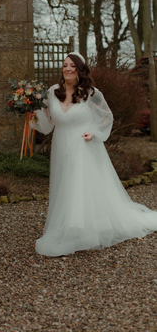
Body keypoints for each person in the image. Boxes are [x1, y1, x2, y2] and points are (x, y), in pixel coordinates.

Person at [32, 52, 157, 256]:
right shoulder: (53, 92)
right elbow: (47, 125)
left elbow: (106, 117)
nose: (68, 69)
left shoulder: (89, 92)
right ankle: (69, 224)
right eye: (65, 66)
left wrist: (95, 133)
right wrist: (31, 115)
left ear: (80, 69)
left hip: (84, 145)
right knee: (64, 184)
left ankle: (82, 228)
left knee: (80, 185)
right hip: (61, 145)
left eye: (72, 66)